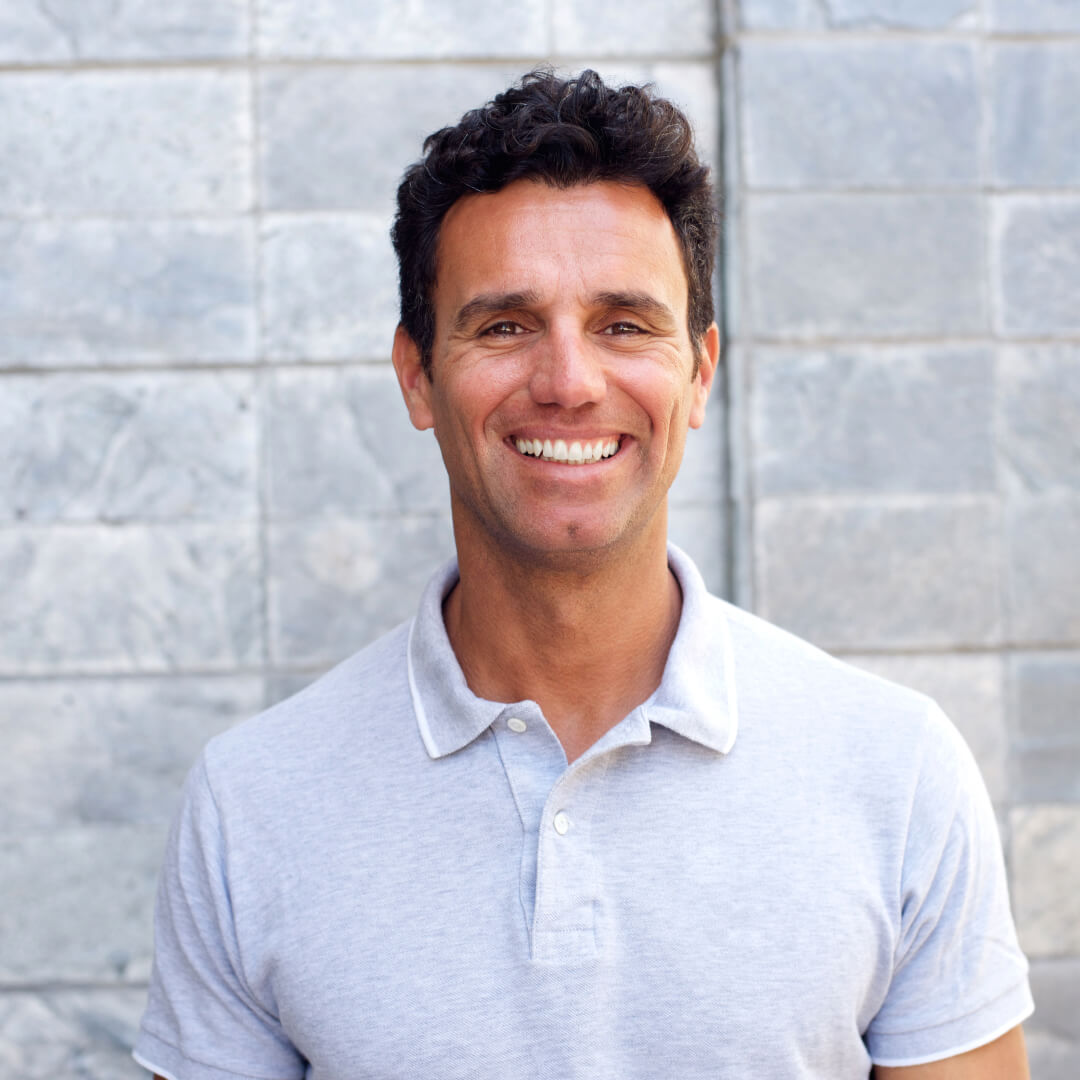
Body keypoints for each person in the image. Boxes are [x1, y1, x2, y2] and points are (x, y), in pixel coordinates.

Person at [134, 69, 1033, 1079]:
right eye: (505, 326)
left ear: (699, 372)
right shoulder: (251, 803)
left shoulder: (897, 772)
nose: (568, 381)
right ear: (418, 376)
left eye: (624, 325)